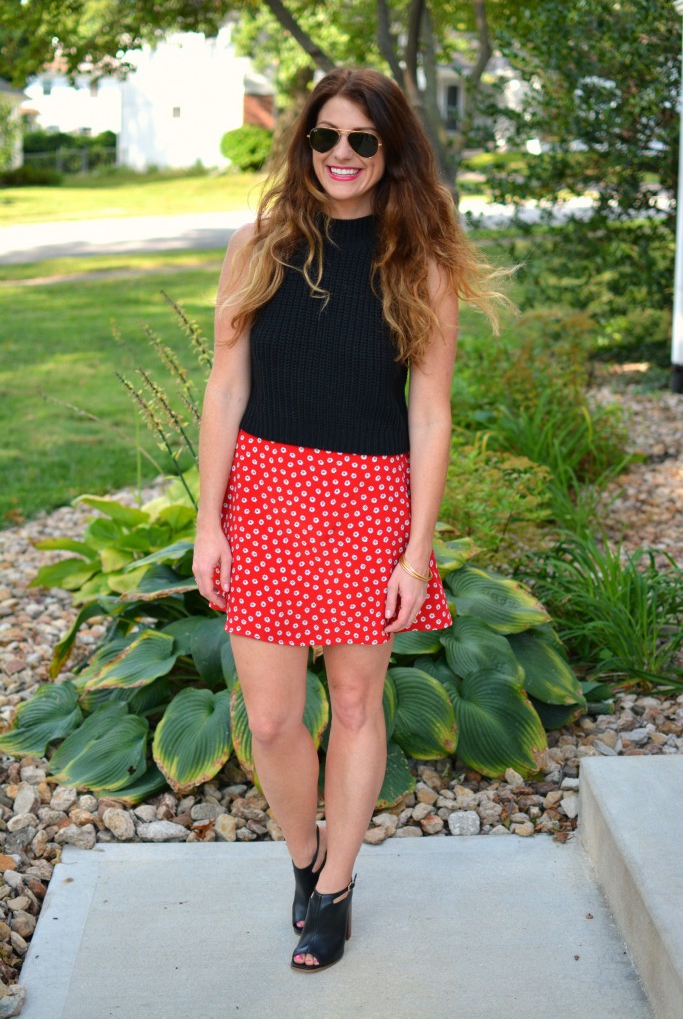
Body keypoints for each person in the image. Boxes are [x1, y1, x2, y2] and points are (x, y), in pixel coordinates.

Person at [193, 66, 504, 973]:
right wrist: (209, 523)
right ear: (303, 145)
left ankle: (335, 887)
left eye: (361, 140)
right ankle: (301, 861)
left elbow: (431, 411)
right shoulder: (258, 243)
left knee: (359, 702)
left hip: (370, 500)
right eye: (324, 137)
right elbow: (226, 388)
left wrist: (417, 553)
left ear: (390, 151)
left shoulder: (422, 262)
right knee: (276, 718)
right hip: (266, 491)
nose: (340, 155)